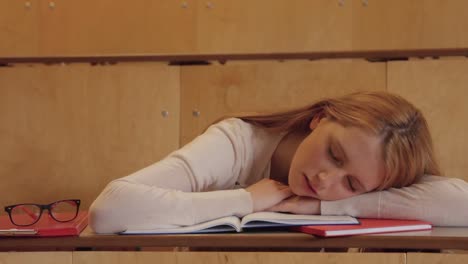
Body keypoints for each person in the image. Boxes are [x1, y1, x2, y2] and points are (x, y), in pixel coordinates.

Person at [89, 91, 468, 233]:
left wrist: (324, 206)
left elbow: (460, 202)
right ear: (318, 119)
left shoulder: (335, 190)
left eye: (351, 183)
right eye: (334, 154)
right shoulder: (239, 142)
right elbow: (110, 208)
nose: (324, 178)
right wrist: (248, 201)